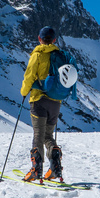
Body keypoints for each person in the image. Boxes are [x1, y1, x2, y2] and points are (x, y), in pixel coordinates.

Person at [20, 26, 66, 182]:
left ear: (39, 39)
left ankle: (35, 171)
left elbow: (29, 76)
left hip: (39, 101)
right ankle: (55, 168)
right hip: (55, 102)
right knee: (48, 136)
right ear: (54, 40)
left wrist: (24, 92)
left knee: (38, 136)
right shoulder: (60, 56)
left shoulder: (37, 55)